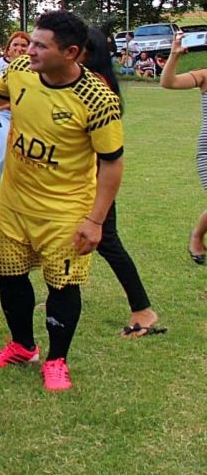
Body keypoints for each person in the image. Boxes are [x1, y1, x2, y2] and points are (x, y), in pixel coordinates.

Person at [0, 10, 124, 392]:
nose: (29, 51)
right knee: (9, 275)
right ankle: (21, 345)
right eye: (30, 42)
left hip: (64, 210)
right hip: (13, 203)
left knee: (62, 285)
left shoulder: (97, 98)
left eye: (40, 46)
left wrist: (95, 221)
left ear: (72, 52)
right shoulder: (19, 73)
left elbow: (111, 164)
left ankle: (56, 359)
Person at [82, 28, 162, 338]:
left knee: (108, 240)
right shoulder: (92, 81)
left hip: (94, 178)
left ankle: (143, 310)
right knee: (67, 237)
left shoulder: (96, 86)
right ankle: (60, 295)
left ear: (83, 53)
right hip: (82, 177)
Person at [160, 32, 207, 266]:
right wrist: (174, 55)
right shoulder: (205, 75)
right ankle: (197, 236)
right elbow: (169, 82)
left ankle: (197, 235)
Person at [0, 32, 30, 196]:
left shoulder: (35, 67)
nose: (19, 49)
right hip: (1, 115)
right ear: (8, 49)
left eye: (24, 45)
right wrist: (7, 104)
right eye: (15, 45)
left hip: (27, 118)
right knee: (1, 154)